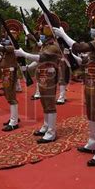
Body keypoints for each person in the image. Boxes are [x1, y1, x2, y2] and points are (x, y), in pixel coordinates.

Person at [54, 2, 95, 166]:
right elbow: (84, 60)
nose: (91, 29)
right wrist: (70, 57)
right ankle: (93, 141)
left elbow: (79, 47)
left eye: (94, 26)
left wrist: (64, 35)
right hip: (90, 78)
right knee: (90, 110)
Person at [15, 13, 63, 143]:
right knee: (44, 102)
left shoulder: (54, 45)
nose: (40, 31)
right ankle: (46, 126)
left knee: (50, 103)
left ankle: (51, 132)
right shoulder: (45, 45)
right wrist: (29, 68)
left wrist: (24, 54)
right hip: (42, 76)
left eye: (43, 29)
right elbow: (39, 60)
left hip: (49, 77)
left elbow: (41, 57)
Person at [57, 21, 71, 105]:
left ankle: (61, 97)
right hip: (57, 60)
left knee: (63, 78)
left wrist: (65, 57)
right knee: (60, 78)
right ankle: (63, 96)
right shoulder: (56, 39)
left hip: (64, 60)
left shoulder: (65, 39)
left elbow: (68, 49)